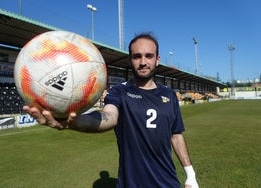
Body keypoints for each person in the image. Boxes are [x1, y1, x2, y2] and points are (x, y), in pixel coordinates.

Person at [23, 32, 199, 188]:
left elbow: (176, 136)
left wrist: (190, 174)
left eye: (149, 56)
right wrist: (76, 122)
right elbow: (109, 116)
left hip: (168, 182)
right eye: (137, 56)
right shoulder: (120, 92)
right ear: (130, 60)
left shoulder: (169, 95)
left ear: (157, 60)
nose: (143, 62)